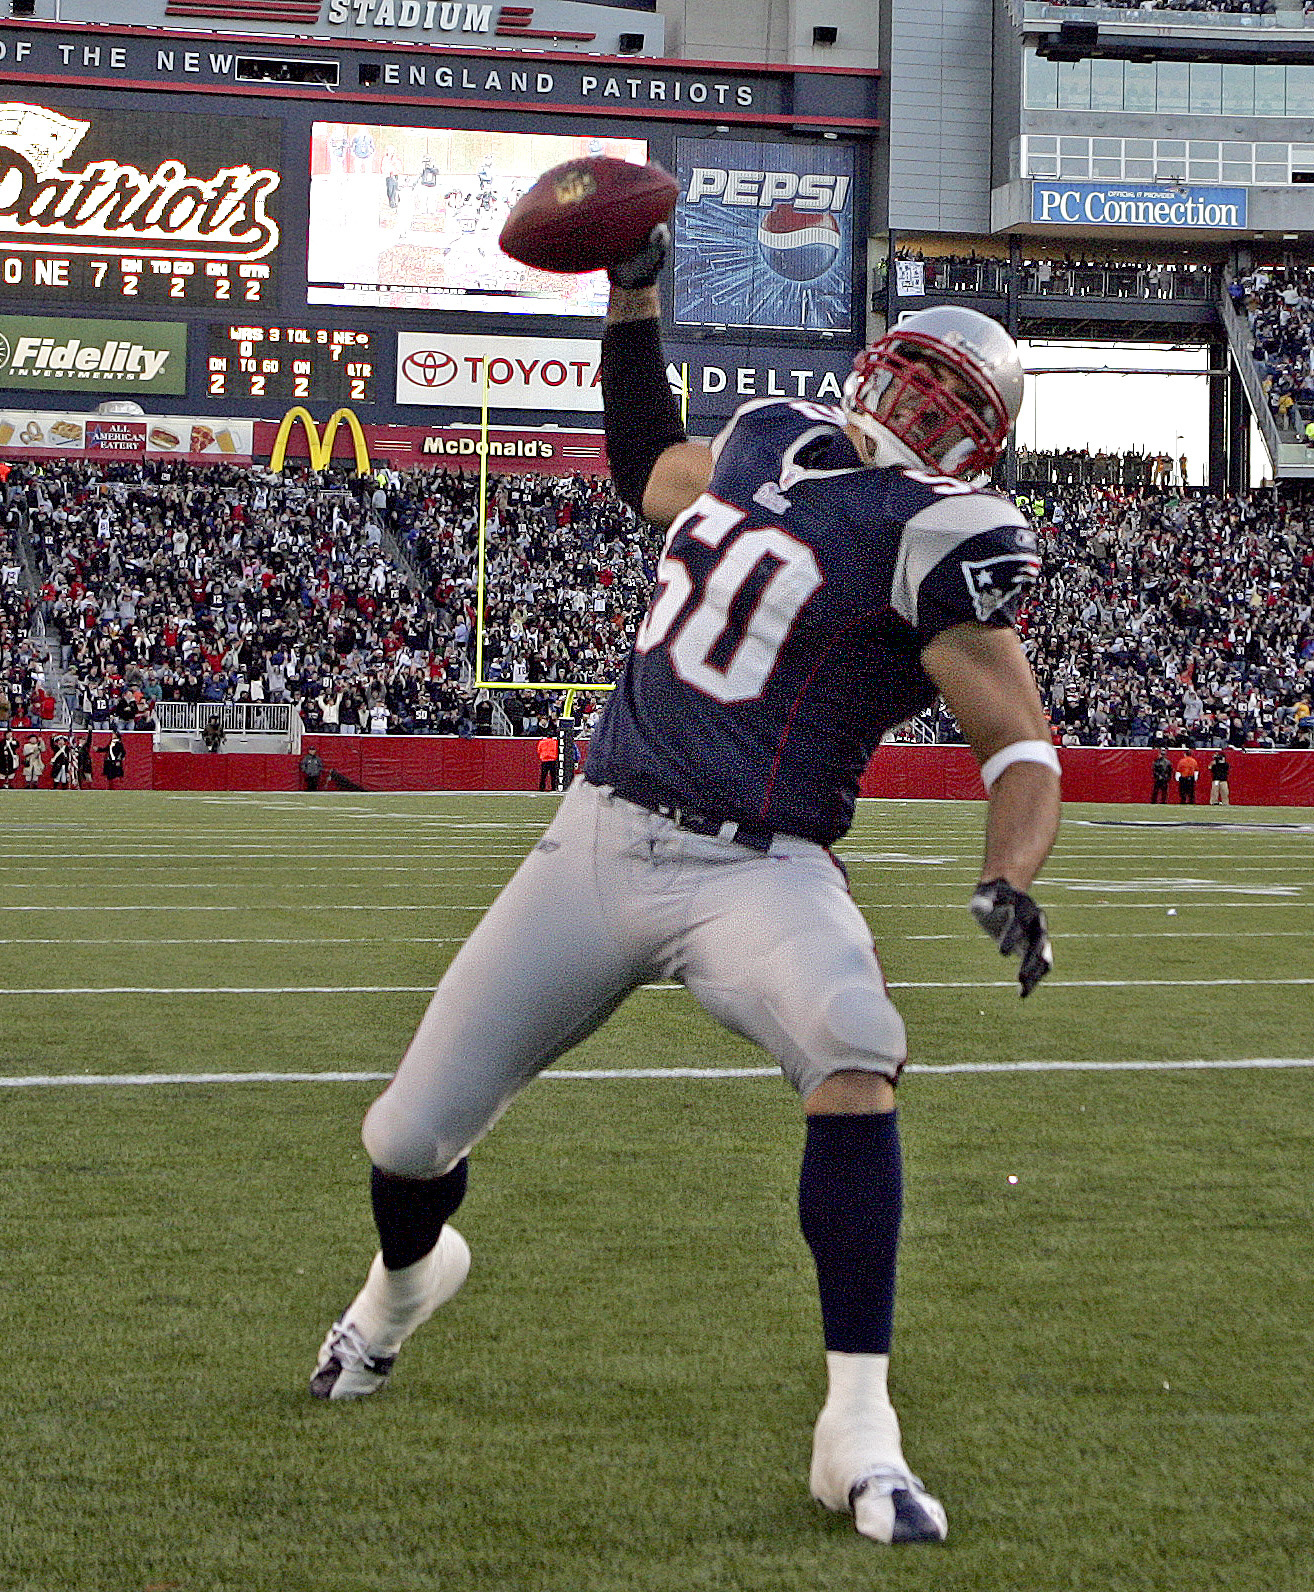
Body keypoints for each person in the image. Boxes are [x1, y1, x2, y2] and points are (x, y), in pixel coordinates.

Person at [308, 281, 1061, 1551]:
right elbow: (650, 468)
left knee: (854, 1040)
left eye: (952, 401)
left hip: (759, 868)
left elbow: (1018, 743)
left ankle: (856, 1428)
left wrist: (1012, 870)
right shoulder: (767, 435)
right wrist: (632, 303)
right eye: (917, 377)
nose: (921, 409)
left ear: (978, 439)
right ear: (875, 366)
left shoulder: (941, 528)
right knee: (407, 1134)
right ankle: (400, 1289)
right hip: (601, 832)